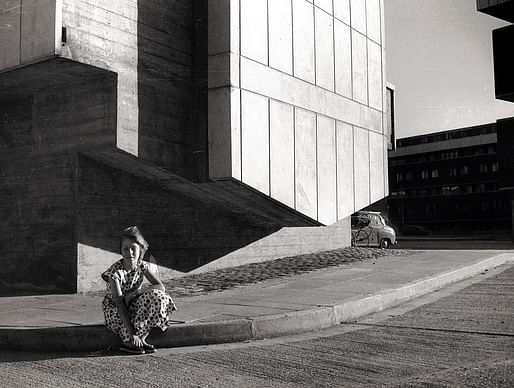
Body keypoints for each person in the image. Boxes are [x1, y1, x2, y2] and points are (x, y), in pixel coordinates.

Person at [101, 226, 177, 354]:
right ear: (120, 251)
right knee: (125, 317)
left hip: (132, 303)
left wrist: (135, 293)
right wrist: (132, 333)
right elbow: (120, 304)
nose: (129, 252)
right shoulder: (115, 273)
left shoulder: (142, 266)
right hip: (115, 310)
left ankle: (141, 339)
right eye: (125, 249)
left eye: (133, 249)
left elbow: (160, 287)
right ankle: (129, 341)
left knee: (159, 296)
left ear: (140, 250)